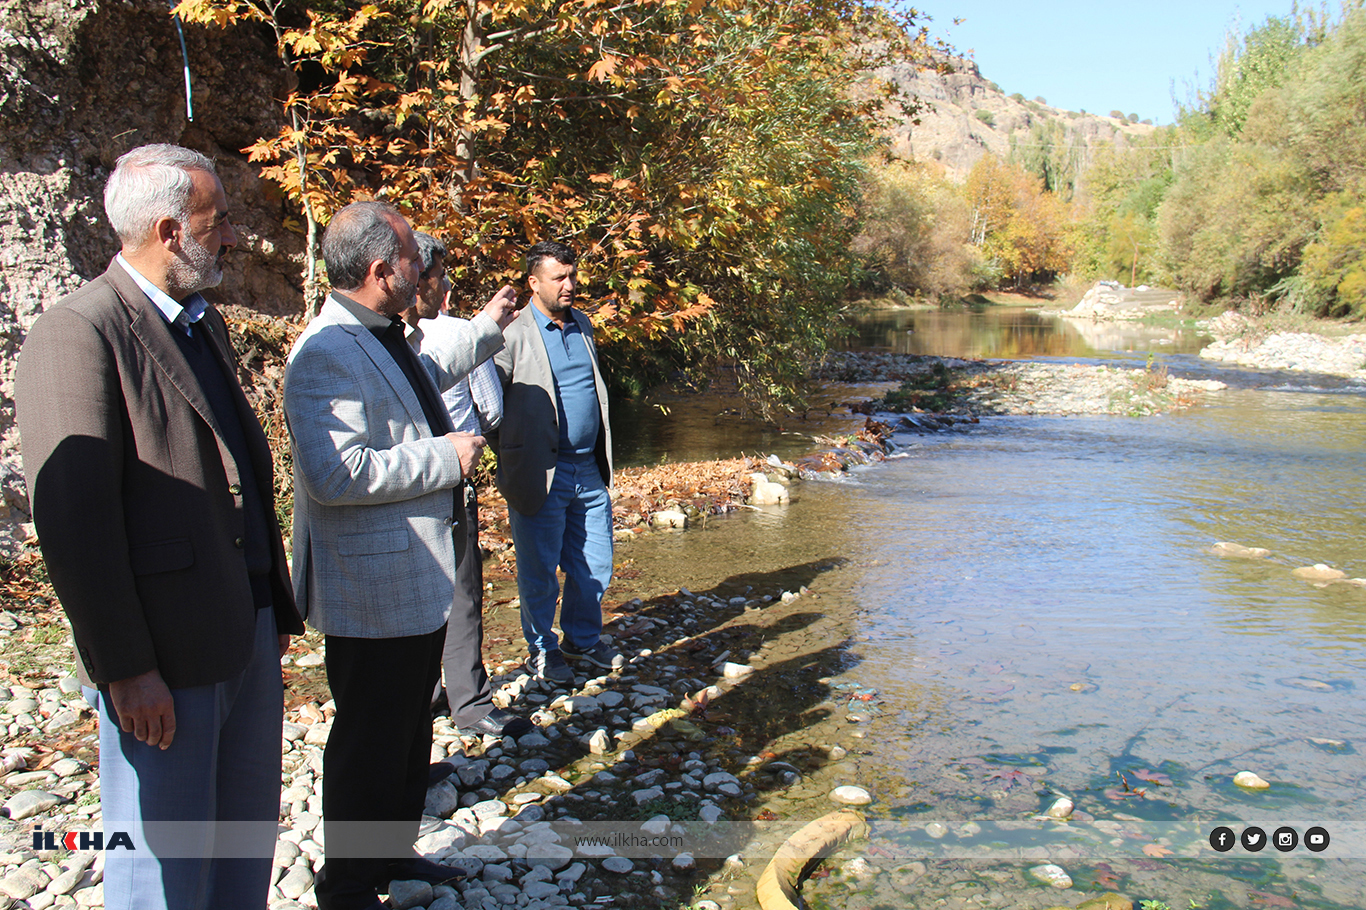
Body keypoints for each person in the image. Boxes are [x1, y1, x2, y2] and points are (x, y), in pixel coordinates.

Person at [14, 143, 303, 910]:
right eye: (218, 221)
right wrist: (127, 668)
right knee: (162, 865)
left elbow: (236, 471)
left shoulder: (202, 325)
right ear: (170, 231)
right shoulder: (79, 332)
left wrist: (270, 605)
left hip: (243, 627)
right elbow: (74, 525)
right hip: (164, 658)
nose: (233, 236)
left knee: (242, 841)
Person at [284, 201, 517, 910]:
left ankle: (390, 856)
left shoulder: (379, 335)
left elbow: (422, 375)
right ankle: (349, 887)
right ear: (382, 270)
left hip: (411, 579)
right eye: (415, 257)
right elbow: (335, 473)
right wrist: (445, 458)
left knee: (409, 729)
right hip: (371, 589)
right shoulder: (325, 351)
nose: (425, 266)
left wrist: (487, 328)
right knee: (369, 741)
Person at [400, 231, 531, 738]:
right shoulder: (452, 331)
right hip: (447, 483)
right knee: (462, 593)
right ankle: (470, 704)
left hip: (400, 497)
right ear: (418, 280)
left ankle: (425, 695)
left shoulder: (378, 338)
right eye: (440, 276)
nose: (446, 286)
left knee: (414, 600)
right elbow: (491, 408)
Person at [493, 240, 623, 685]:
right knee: (539, 570)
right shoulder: (511, 332)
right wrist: (512, 453)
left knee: (595, 562)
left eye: (572, 276)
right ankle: (542, 649)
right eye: (559, 278)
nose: (569, 285)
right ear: (534, 282)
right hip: (539, 472)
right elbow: (489, 404)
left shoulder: (583, 323)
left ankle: (582, 640)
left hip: (587, 468)